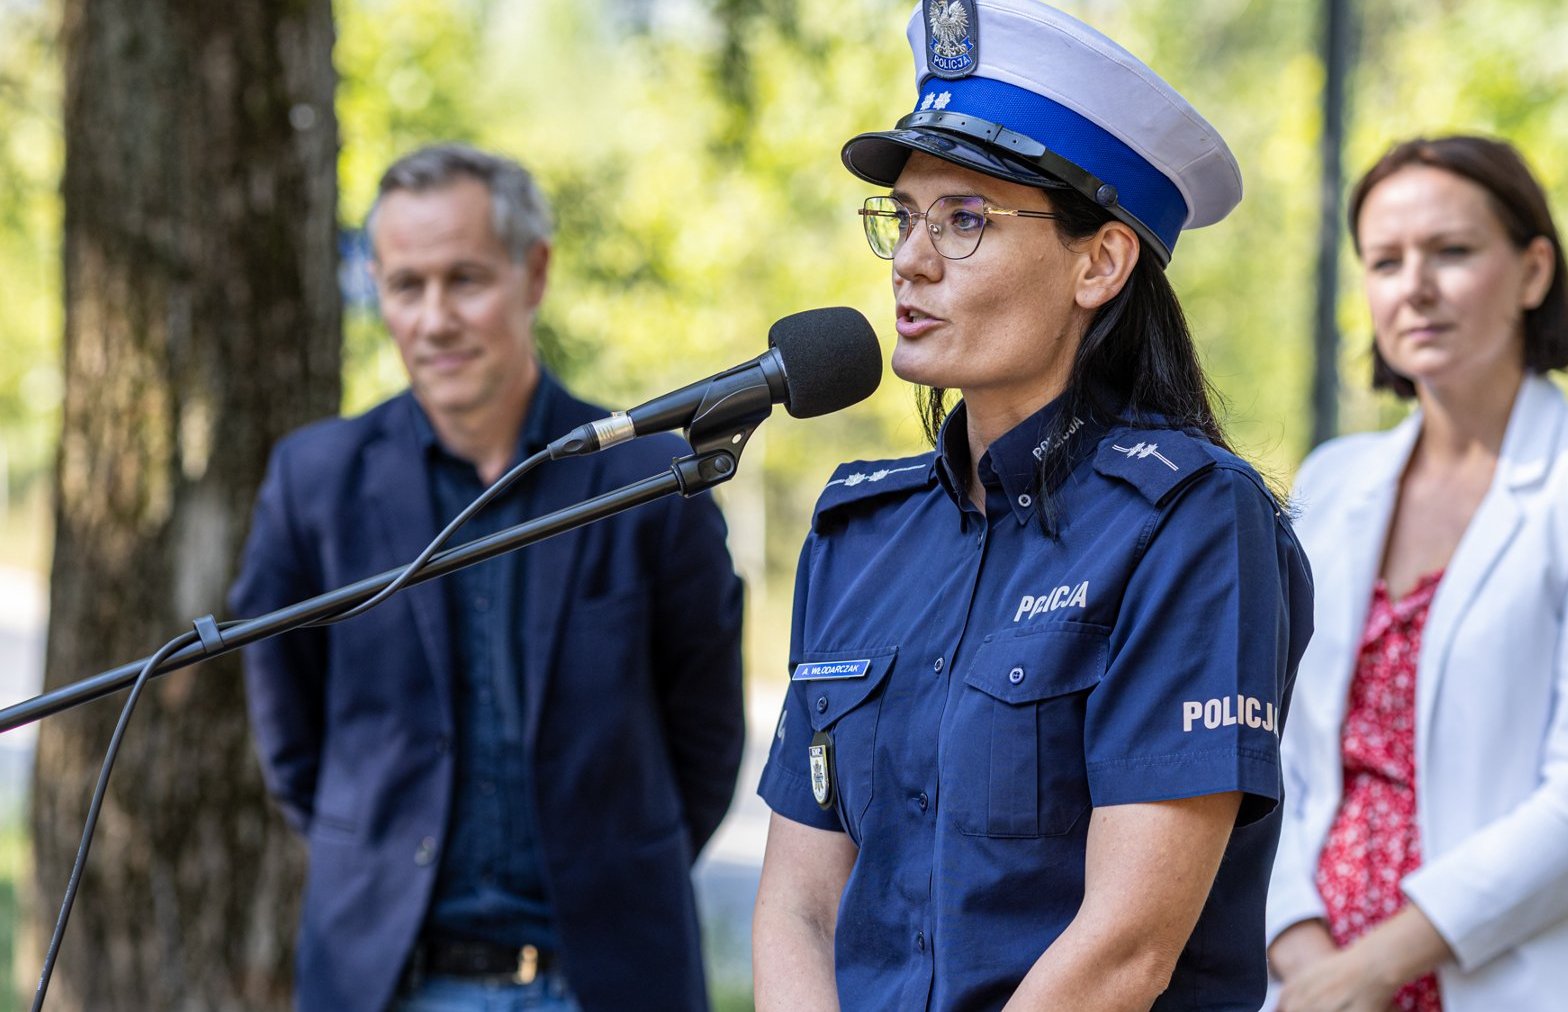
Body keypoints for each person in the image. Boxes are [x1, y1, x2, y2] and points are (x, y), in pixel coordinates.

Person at [750, 2, 1313, 1007]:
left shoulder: (1191, 524)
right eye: (906, 217)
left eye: (964, 220)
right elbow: (800, 900)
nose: (910, 261)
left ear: (1099, 261)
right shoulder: (859, 533)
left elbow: (1125, 948)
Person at [230, 144, 745, 1012]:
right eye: (405, 286)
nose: (434, 319)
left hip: (607, 981)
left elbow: (708, 735)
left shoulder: (655, 481)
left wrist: (618, 871)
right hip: (387, 981)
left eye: (464, 280)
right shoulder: (315, 481)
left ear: (532, 273)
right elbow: (289, 735)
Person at [1264, 135, 1568, 1010]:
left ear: (1534, 272)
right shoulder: (1332, 479)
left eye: (1452, 252)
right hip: (1312, 982)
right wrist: (1299, 948)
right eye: (1385, 262)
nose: (1414, 285)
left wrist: (1369, 971)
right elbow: (1282, 763)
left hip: (1517, 982)